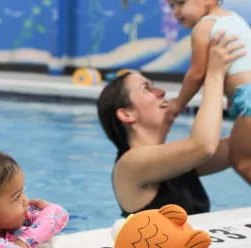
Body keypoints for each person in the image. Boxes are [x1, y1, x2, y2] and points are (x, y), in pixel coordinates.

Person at [97, 32, 244, 217]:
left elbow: (241, 146)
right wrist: (214, 75)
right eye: (147, 89)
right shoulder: (129, 166)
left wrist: (241, 101)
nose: (161, 92)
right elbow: (204, 146)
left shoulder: (179, 159)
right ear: (127, 114)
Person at [166, 0, 251, 183]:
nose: (176, 12)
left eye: (181, 3)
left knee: (243, 162)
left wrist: (177, 103)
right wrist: (232, 95)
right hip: (246, 96)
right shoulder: (234, 18)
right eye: (171, 6)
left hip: (249, 99)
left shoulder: (204, 26)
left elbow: (197, 74)